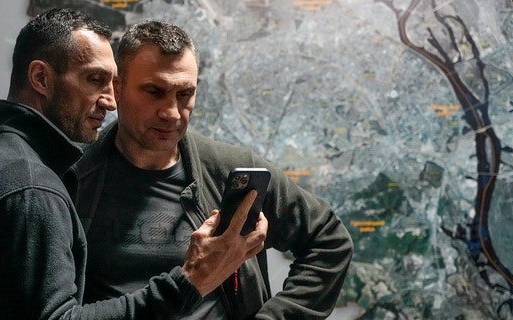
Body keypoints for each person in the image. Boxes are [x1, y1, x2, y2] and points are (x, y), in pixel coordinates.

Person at [0, 9, 267, 320]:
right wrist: (191, 281)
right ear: (41, 78)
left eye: (111, 83)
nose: (111, 102)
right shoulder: (29, 186)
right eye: (94, 80)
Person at [73, 20, 354, 319]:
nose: (171, 112)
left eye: (184, 94)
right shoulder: (71, 177)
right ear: (117, 89)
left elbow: (329, 240)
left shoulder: (230, 171)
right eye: (154, 91)